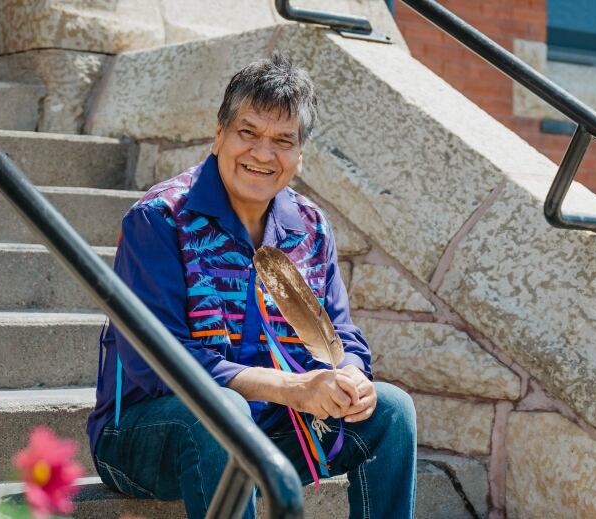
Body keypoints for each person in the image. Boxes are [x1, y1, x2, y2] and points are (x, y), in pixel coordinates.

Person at [86, 52, 417, 519]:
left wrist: (351, 378)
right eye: (249, 133)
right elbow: (157, 364)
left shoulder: (310, 226)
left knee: (392, 410)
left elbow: (342, 337)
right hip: (145, 436)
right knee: (225, 413)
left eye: (283, 140)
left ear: (300, 156)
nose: (263, 154)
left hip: (275, 430)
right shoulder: (160, 219)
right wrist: (292, 388)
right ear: (219, 135)